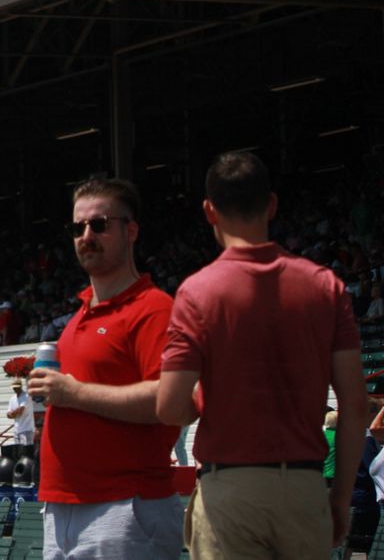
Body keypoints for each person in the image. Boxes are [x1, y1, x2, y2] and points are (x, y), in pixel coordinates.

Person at [157, 151, 366, 557]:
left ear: (209, 210)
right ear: (271, 204)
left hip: (230, 492)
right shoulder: (326, 286)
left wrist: (203, 398)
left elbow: (169, 407)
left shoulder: (197, 292)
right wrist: (339, 499)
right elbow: (355, 406)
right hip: (304, 488)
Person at [28, 177, 181, 560]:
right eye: (77, 228)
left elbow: (171, 398)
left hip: (124, 507)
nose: (86, 235)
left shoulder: (154, 308)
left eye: (99, 224)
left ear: (131, 230)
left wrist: (73, 393)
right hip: (62, 506)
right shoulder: (79, 315)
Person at [6, 380, 35, 445]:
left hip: (27, 429)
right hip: (17, 430)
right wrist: (12, 414)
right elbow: (8, 414)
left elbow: (20, 410)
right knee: (18, 452)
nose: (15, 389)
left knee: (26, 452)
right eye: (14, 387)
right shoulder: (12, 398)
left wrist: (12, 414)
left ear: (20, 387)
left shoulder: (26, 396)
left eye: (17, 387)